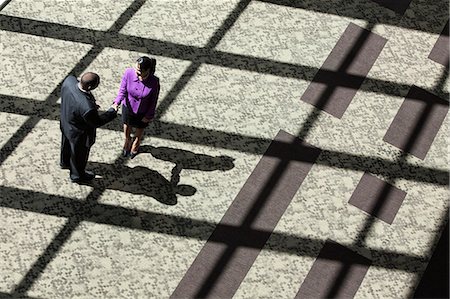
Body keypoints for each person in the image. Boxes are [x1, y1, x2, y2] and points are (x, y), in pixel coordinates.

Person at [60, 72, 118, 183]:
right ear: (90, 87)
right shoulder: (87, 107)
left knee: (66, 144)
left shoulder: (69, 81)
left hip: (66, 123)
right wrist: (112, 111)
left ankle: (65, 162)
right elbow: (96, 122)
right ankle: (77, 175)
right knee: (79, 155)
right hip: (78, 134)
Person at [112, 56, 160, 159]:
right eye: (136, 69)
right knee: (127, 125)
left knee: (140, 129)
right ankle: (127, 140)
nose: (137, 72)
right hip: (128, 107)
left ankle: (137, 142)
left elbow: (153, 100)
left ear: (147, 70)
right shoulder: (129, 73)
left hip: (143, 111)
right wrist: (116, 103)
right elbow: (122, 90)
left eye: (140, 71)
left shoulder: (154, 81)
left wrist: (148, 115)